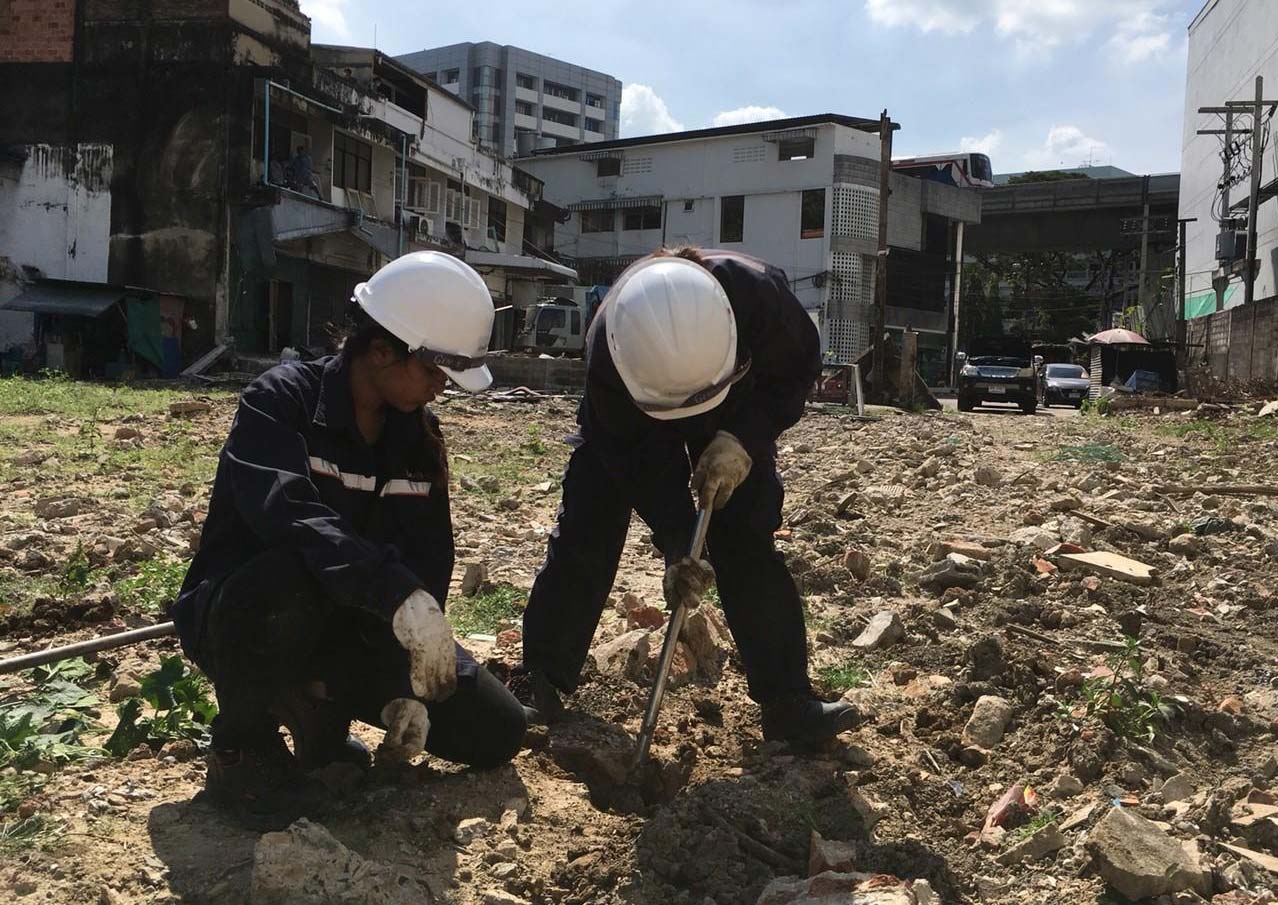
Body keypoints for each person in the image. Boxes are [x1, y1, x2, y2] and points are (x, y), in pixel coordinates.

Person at [171, 251, 526, 827]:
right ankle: (243, 752)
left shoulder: (417, 438)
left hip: (355, 629)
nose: (440, 389)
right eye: (435, 372)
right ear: (382, 351)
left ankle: (321, 717)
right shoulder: (280, 403)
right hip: (253, 616)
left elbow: (427, 557)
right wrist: (395, 595)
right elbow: (292, 519)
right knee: (287, 581)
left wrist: (410, 671)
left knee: (495, 728)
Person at [511, 248, 861, 748]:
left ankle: (788, 704)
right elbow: (633, 459)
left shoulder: (762, 300)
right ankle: (540, 679)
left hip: (733, 407)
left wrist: (745, 436)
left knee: (745, 536)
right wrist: (678, 543)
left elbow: (793, 373)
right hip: (633, 422)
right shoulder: (614, 350)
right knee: (587, 529)